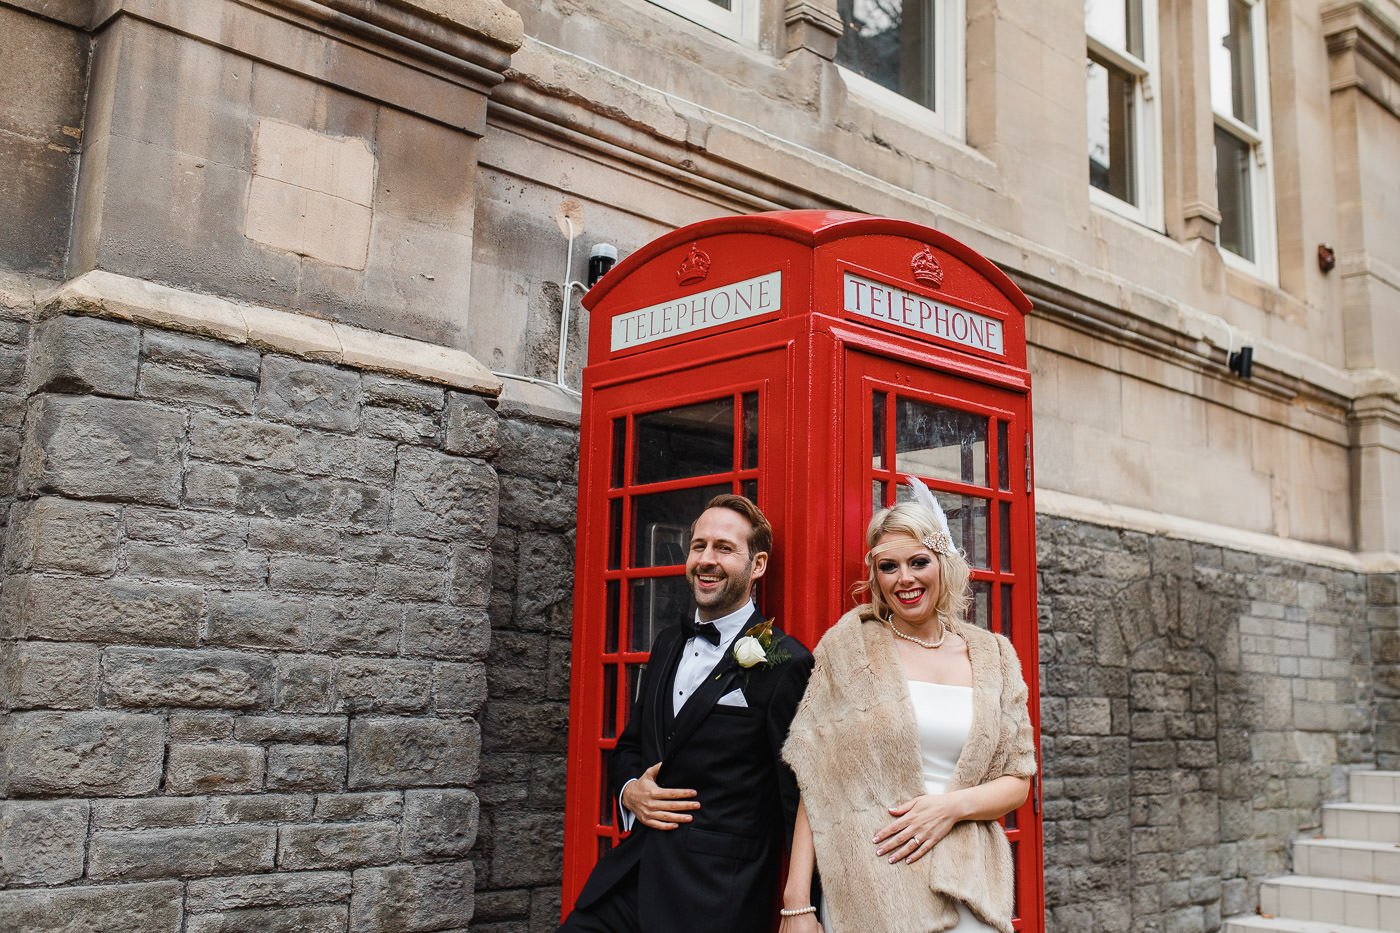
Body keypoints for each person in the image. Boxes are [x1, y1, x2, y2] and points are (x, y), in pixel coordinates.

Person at [780, 479, 1037, 933]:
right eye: (888, 566)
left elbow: (1018, 780)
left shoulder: (994, 655)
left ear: (944, 563)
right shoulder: (851, 647)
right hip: (873, 885)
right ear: (875, 575)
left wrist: (950, 807)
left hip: (969, 887)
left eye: (919, 562)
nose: (905, 579)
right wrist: (796, 902)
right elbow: (816, 776)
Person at [561, 493, 814, 933]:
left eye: (724, 548)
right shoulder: (667, 643)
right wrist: (629, 793)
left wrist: (803, 906)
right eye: (699, 546)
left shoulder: (787, 662)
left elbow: (800, 797)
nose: (707, 559)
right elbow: (632, 745)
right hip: (628, 882)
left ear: (757, 566)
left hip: (714, 900)